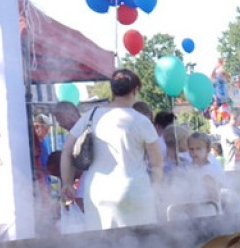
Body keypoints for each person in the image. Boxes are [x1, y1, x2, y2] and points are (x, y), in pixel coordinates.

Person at [60, 68, 163, 231]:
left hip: (98, 192)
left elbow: (67, 150)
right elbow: (157, 164)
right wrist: (157, 191)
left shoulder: (91, 115)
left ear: (113, 90)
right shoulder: (142, 121)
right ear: (135, 90)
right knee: (141, 246)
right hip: (134, 192)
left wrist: (67, 183)